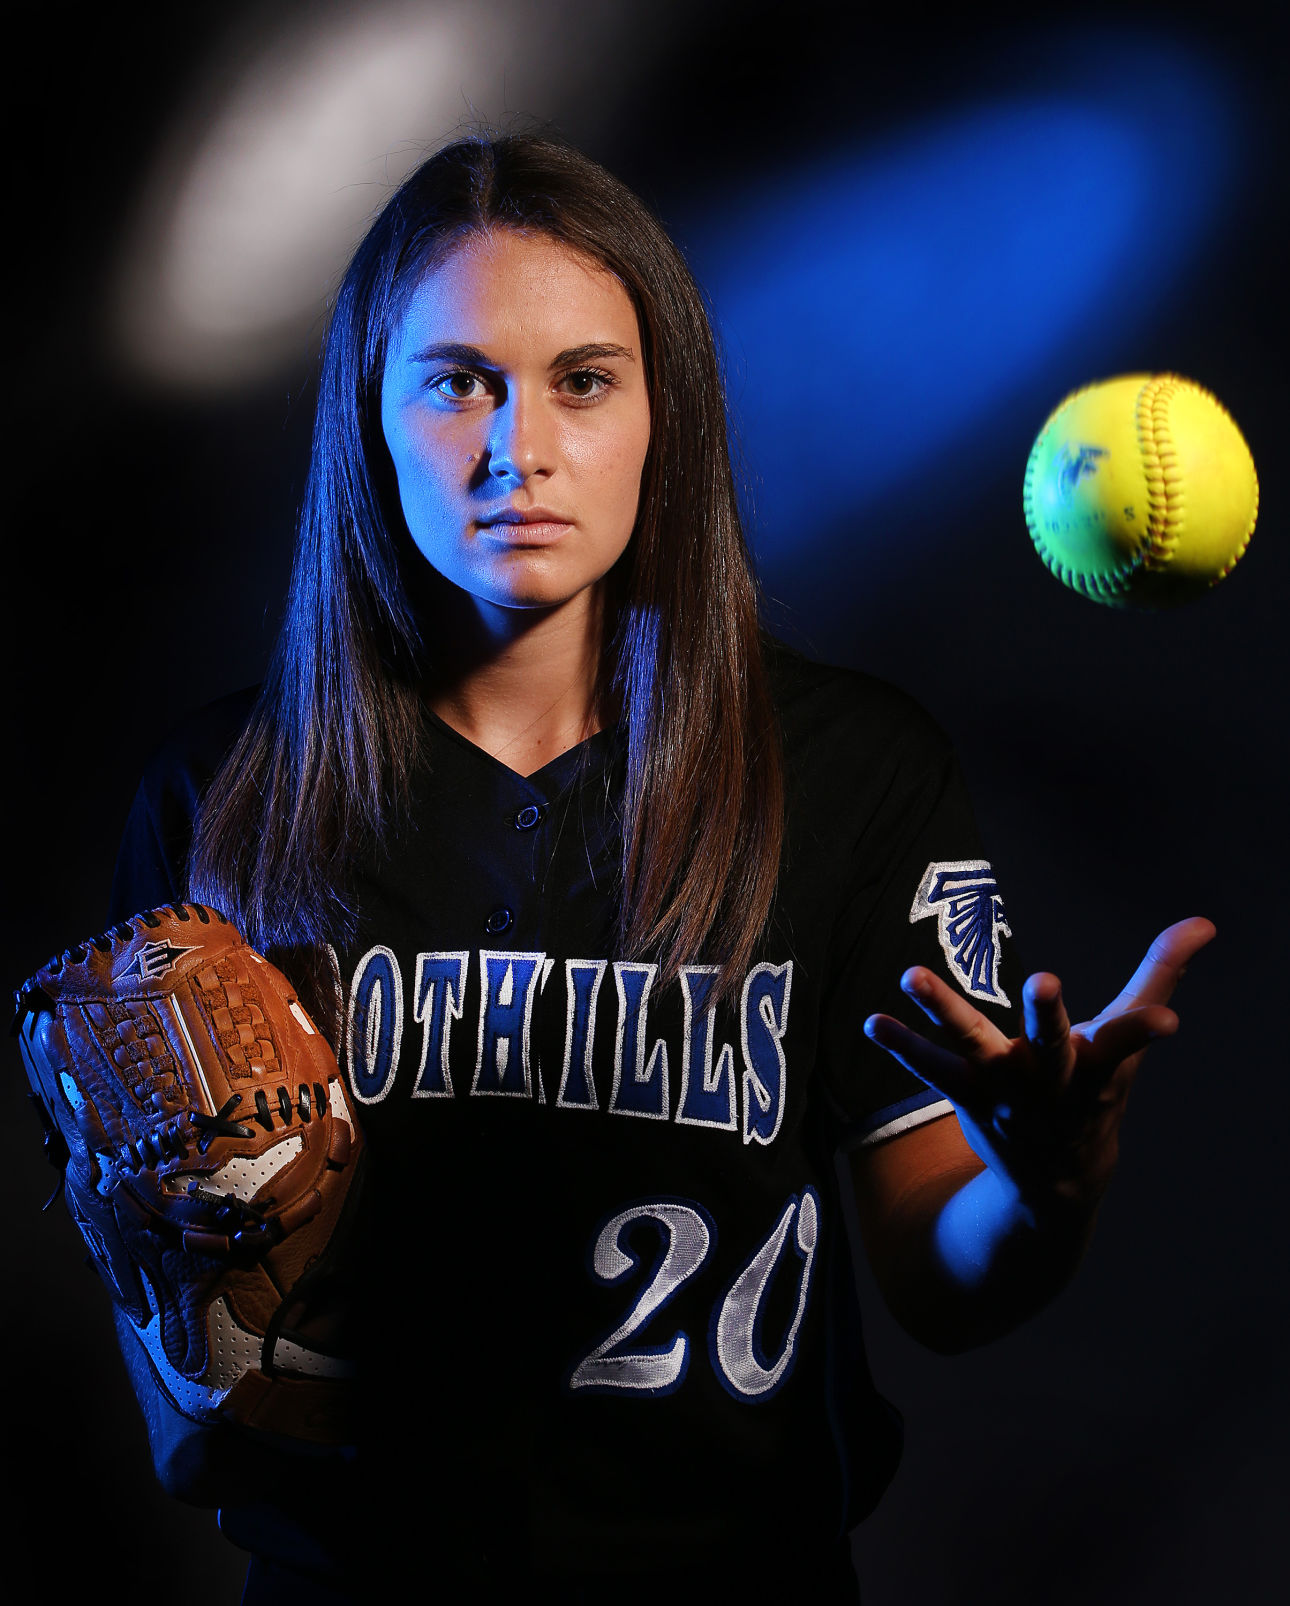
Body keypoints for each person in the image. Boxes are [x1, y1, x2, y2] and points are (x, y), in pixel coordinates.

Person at [107, 132, 1213, 1604]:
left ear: (661, 416)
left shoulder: (847, 771)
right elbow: (188, 1357)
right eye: (455, 381)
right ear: (365, 418)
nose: (521, 447)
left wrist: (1042, 1182)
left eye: (582, 379)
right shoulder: (223, 793)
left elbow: (947, 1278)